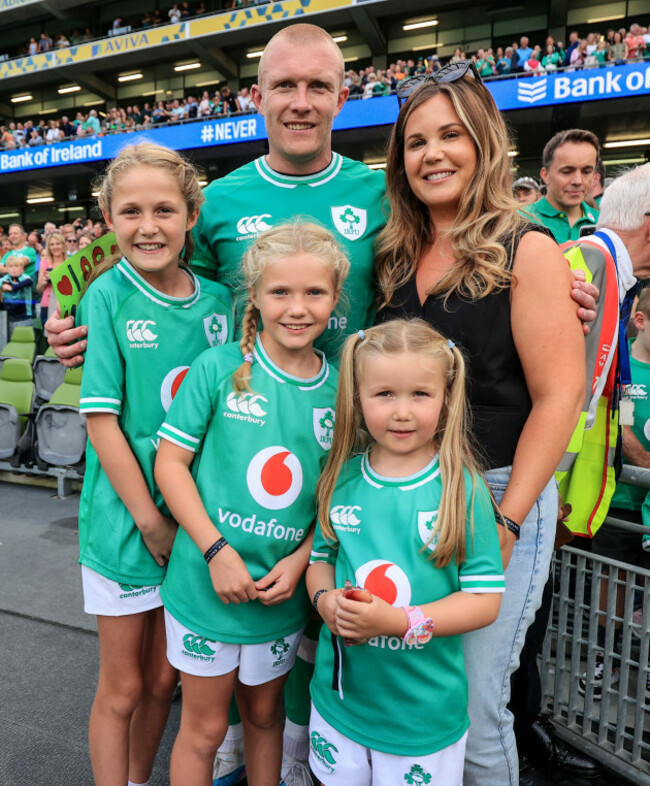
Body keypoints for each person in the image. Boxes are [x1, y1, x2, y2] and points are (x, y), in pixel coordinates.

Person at [374, 64, 585, 786]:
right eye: (416, 141)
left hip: (497, 493)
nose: (432, 153)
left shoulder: (526, 247)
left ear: (485, 142)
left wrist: (510, 515)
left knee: (474, 705)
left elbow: (561, 394)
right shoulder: (392, 254)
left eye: (451, 135)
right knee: (419, 693)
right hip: (402, 496)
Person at [153, 221, 348, 786]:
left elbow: (337, 496)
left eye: (314, 292)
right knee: (204, 729)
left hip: (280, 596)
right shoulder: (217, 369)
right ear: (255, 297)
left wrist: (304, 560)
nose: (296, 307)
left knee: (265, 715)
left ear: (335, 299)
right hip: (204, 586)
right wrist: (215, 551)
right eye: (280, 292)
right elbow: (170, 466)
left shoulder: (341, 392)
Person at [76, 142, 232, 786]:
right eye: (130, 211)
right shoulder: (107, 296)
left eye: (164, 209)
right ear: (109, 219)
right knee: (124, 683)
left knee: (166, 676)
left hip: (192, 525)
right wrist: (149, 520)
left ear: (191, 214)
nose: (148, 226)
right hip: (125, 522)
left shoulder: (222, 302)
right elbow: (101, 421)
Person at [306, 319, 504, 785]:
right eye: (384, 394)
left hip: (421, 720)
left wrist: (397, 622)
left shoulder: (462, 488)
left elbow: (483, 600)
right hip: (340, 704)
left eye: (420, 394)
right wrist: (324, 601)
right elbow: (320, 563)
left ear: (447, 398)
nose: (402, 412)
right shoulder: (341, 478)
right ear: (357, 397)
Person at [524, 129, 600, 243]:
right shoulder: (521, 221)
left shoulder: (604, 223)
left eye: (586, 171)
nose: (578, 181)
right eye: (567, 172)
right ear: (545, 175)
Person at [36, 232, 66, 328]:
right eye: (52, 244)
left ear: (63, 245)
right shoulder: (45, 263)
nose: (55, 247)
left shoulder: (69, 261)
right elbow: (39, 288)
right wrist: (44, 282)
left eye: (58, 243)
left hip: (65, 304)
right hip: (47, 303)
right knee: (49, 336)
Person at [0, 256, 33, 330]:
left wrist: (12, 287)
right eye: (10, 266)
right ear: (7, 269)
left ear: (22, 269)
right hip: (8, 312)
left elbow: (29, 282)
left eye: (16, 266)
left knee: (23, 334)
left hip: (24, 312)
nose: (13, 268)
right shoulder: (5, 279)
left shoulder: (25, 277)